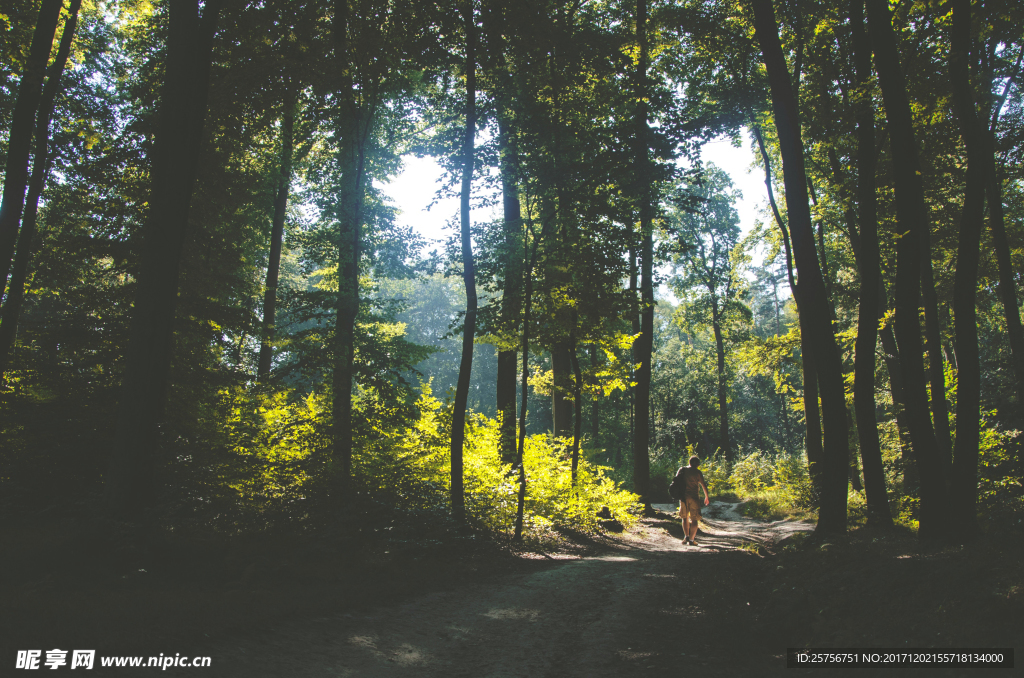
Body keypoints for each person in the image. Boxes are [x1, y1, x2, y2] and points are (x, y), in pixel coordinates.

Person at [674, 455, 710, 545]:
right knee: (694, 519)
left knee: (685, 517)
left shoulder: (682, 470)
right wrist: (707, 497)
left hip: (683, 498)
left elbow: (675, 481)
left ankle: (686, 536)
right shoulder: (698, 473)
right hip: (694, 498)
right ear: (694, 463)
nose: (698, 464)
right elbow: (703, 485)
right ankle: (691, 540)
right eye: (697, 463)